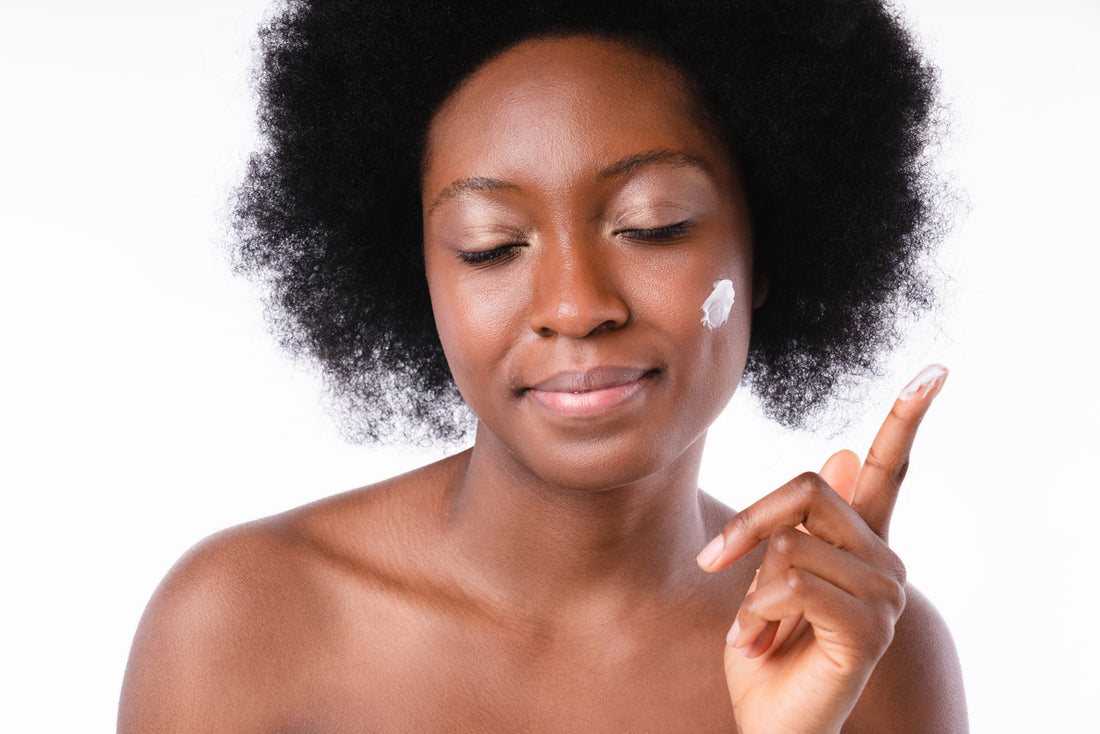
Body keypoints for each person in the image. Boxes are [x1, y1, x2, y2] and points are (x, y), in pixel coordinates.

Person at [119, 1, 967, 731]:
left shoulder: (865, 649)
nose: (573, 304)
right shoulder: (244, 625)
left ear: (766, 248)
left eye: (653, 225)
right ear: (419, 271)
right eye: (491, 247)